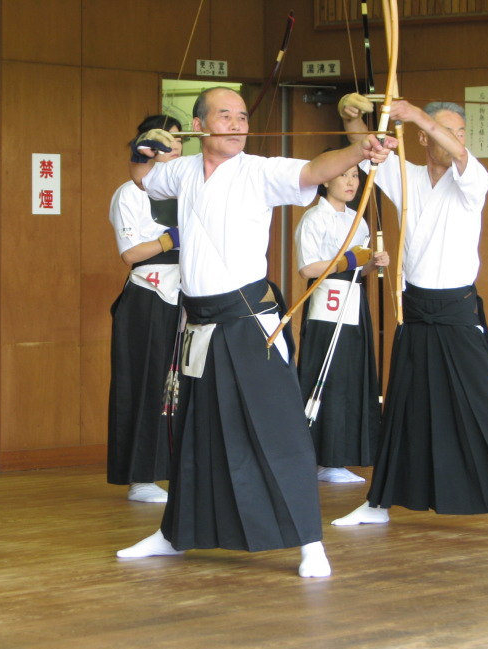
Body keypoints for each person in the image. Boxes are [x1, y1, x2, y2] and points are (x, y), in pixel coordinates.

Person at [115, 87, 395, 577]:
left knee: (277, 427)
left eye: (243, 116)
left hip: (247, 320)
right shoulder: (183, 170)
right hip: (198, 323)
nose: (238, 124)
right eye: (225, 115)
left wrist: (360, 150)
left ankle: (310, 542)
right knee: (195, 431)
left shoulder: (260, 171)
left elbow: (315, 170)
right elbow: (144, 179)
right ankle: (175, 532)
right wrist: (144, 150)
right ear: (199, 126)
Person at [332, 95, 488, 541]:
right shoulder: (407, 176)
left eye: (459, 132)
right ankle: (377, 504)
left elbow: (459, 154)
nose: (454, 139)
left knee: (483, 407)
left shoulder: (472, 180)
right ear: (423, 141)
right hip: (415, 308)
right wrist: (351, 114)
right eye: (443, 131)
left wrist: (416, 116)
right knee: (402, 407)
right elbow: (365, 145)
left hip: (456, 311)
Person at [107, 114, 184, 503]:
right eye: (165, 140)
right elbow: (131, 253)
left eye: (179, 140)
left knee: (182, 384)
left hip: (188, 294)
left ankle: (182, 471)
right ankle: (141, 477)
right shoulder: (130, 193)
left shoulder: (189, 190)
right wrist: (172, 239)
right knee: (145, 382)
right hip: (148, 294)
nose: (174, 146)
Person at [295, 164, 388, 484]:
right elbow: (307, 268)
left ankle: (341, 456)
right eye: (343, 175)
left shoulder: (357, 220)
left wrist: (372, 263)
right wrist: (350, 260)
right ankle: (321, 458)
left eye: (355, 176)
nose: (350, 182)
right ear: (326, 181)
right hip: (326, 303)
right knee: (326, 375)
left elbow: (358, 269)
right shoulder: (313, 218)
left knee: (351, 375)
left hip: (352, 300)